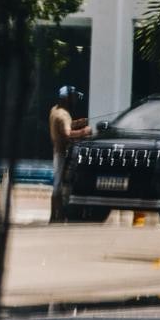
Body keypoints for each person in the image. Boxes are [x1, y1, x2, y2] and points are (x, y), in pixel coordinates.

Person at [49, 85, 91, 221]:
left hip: (56, 151)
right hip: (62, 153)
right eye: (73, 97)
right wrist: (83, 131)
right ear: (67, 98)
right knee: (58, 185)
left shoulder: (55, 110)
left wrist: (77, 122)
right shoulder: (64, 115)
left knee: (57, 184)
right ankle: (59, 216)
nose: (75, 100)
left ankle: (53, 217)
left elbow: (63, 126)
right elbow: (67, 134)